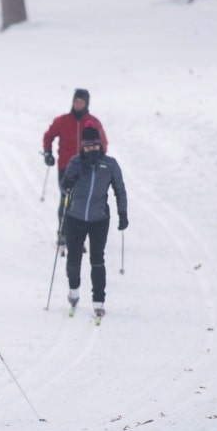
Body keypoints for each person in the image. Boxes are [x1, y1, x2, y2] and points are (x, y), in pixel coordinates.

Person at [60, 127, 127, 318]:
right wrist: (68, 183)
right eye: (88, 147)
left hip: (99, 219)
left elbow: (120, 190)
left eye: (95, 145)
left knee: (97, 260)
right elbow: (64, 187)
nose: (92, 150)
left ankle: (99, 300)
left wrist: (123, 213)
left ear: (101, 145)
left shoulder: (110, 165)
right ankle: (73, 291)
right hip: (75, 217)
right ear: (83, 147)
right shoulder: (76, 162)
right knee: (74, 257)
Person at [41, 88, 109, 249]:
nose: (78, 105)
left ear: (86, 104)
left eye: (81, 102)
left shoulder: (93, 122)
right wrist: (48, 153)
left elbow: (103, 143)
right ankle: (63, 233)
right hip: (66, 166)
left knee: (82, 201)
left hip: (86, 168)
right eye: (76, 101)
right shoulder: (62, 121)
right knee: (66, 198)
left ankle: (78, 236)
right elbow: (49, 135)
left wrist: (100, 159)